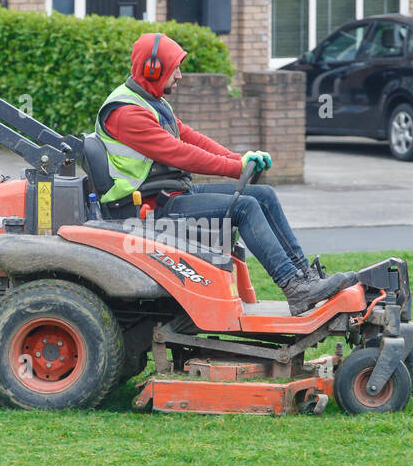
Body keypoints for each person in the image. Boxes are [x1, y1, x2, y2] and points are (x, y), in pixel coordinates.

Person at [94, 31, 357, 315]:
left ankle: (306, 277)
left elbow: (191, 137)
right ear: (152, 70)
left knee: (264, 195)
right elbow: (180, 153)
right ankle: (293, 287)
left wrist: (240, 159)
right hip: (150, 209)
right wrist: (235, 169)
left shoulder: (150, 100)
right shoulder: (127, 113)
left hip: (170, 193)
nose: (180, 75)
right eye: (174, 69)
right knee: (245, 207)